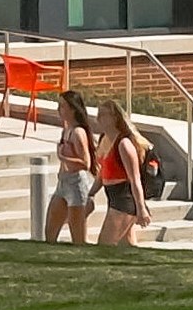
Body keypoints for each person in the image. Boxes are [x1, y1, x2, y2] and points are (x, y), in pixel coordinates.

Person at [44, 87, 100, 244]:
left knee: (78, 236)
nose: (59, 110)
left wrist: (63, 158)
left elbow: (86, 163)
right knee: (50, 230)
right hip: (62, 183)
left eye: (63, 106)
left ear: (73, 109)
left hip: (76, 184)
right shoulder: (66, 130)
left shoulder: (78, 133)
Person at [92, 98, 148, 250]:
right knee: (128, 248)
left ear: (114, 117)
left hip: (124, 200)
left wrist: (141, 209)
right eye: (98, 114)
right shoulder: (104, 139)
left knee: (105, 246)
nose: (98, 118)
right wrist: (91, 193)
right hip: (112, 197)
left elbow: (135, 179)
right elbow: (102, 172)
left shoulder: (123, 144)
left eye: (103, 115)